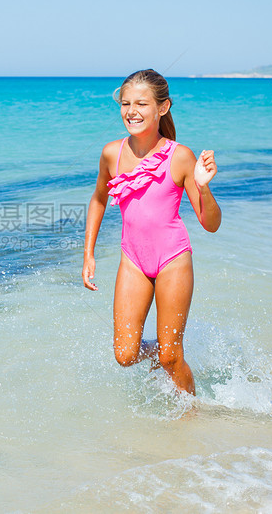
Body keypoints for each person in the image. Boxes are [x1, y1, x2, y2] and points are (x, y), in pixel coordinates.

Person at [83, 69, 221, 395]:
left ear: (162, 108)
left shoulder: (181, 156)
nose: (131, 111)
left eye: (142, 104)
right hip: (133, 259)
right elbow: (99, 198)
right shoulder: (111, 154)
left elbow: (211, 224)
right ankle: (161, 350)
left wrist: (203, 187)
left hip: (172, 258)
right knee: (125, 355)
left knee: (172, 357)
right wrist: (88, 253)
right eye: (126, 103)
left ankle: (192, 414)